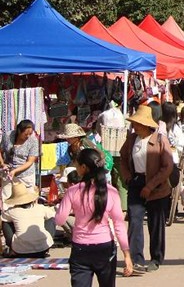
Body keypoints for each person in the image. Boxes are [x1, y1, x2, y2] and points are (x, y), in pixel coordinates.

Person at [55, 148, 134, 284]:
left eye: (77, 165)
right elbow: (119, 224)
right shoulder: (112, 191)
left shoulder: (72, 191)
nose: (76, 168)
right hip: (105, 248)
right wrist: (127, 255)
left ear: (84, 167)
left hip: (80, 249)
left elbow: (60, 219)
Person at [119, 105, 173, 274]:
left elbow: (167, 166)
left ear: (146, 125)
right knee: (134, 221)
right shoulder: (131, 139)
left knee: (155, 224)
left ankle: (156, 258)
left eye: (137, 123)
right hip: (136, 182)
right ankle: (136, 259)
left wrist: (150, 186)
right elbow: (122, 159)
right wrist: (127, 176)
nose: (135, 126)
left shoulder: (159, 140)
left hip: (157, 186)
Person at [2, 183, 55, 258]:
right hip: (42, 249)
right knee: (51, 219)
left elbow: (3, 218)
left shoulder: (11, 212)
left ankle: (12, 249)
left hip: (20, 250)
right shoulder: (41, 208)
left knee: (6, 222)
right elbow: (53, 215)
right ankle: (46, 245)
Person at [0, 120, 39, 205]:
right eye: (25, 134)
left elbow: (30, 162)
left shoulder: (33, 141)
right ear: (19, 131)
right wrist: (2, 164)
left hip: (26, 175)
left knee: (28, 199)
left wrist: (15, 171)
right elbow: (0, 151)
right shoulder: (7, 136)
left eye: (30, 134)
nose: (28, 136)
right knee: (7, 197)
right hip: (8, 173)